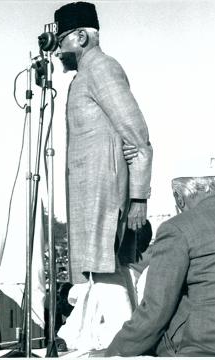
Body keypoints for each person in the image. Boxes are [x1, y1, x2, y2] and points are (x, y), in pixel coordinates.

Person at [52, 1, 153, 346]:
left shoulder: (102, 69)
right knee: (105, 270)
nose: (58, 51)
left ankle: (130, 346)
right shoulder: (85, 75)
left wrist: (138, 197)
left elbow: (138, 138)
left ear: (81, 37)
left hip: (104, 192)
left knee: (104, 268)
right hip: (91, 193)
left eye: (62, 41)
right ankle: (129, 343)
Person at [106, 176, 215, 356]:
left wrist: (113, 354)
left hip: (201, 347)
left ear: (179, 198)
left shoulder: (178, 228)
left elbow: (155, 312)